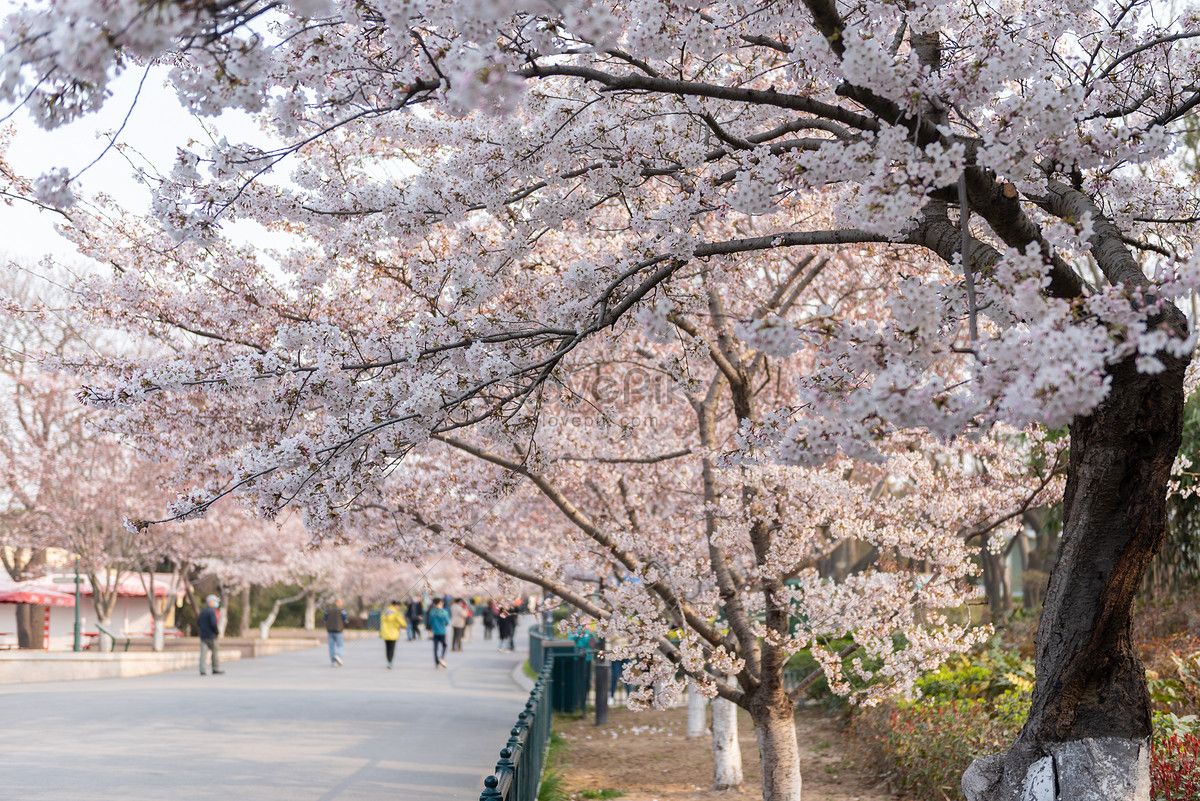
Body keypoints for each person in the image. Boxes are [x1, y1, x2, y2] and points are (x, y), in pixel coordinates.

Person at [198, 594, 224, 675]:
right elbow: (213, 624)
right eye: (215, 601)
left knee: (203, 654)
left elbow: (198, 622)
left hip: (203, 635)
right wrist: (217, 632)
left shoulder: (202, 611)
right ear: (210, 602)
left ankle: (202, 669)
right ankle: (215, 668)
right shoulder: (211, 612)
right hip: (212, 636)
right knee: (215, 653)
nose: (216, 603)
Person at [379, 599, 405, 669]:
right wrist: (405, 625)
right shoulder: (396, 612)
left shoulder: (385, 611)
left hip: (385, 632)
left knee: (387, 648)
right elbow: (401, 622)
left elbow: (381, 620)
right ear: (396, 606)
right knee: (392, 648)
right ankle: (390, 661)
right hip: (393, 632)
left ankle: (388, 661)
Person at [323, 597, 348, 666]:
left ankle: (333, 661)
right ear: (338, 603)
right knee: (340, 645)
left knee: (331, 646)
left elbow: (325, 619)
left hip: (330, 630)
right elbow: (346, 619)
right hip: (338, 630)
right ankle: (338, 655)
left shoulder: (328, 610)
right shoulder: (342, 610)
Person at [428, 597, 450, 668]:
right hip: (443, 632)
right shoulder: (444, 612)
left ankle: (436, 662)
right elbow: (447, 621)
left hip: (435, 632)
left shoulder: (432, 612)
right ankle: (442, 658)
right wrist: (444, 625)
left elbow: (430, 622)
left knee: (435, 648)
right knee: (445, 646)